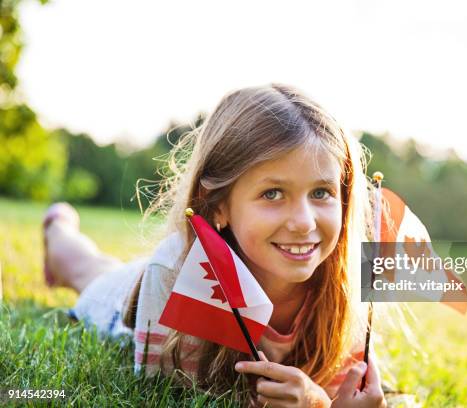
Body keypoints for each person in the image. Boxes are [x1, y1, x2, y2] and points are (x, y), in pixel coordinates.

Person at [43, 84, 388, 407]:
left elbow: (341, 394)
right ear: (218, 205)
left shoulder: (347, 289)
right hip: (123, 305)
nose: (304, 222)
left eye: (321, 193)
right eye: (273, 193)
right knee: (85, 268)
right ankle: (59, 227)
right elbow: (164, 395)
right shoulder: (175, 274)